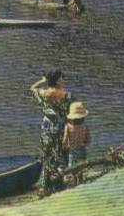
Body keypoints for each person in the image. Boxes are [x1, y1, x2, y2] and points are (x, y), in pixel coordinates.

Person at [30, 69, 72, 197]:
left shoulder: (43, 93)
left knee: (46, 156)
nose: (63, 80)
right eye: (61, 78)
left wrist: (42, 81)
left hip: (46, 127)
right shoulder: (64, 94)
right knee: (60, 156)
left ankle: (44, 186)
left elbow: (32, 88)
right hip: (59, 128)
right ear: (58, 80)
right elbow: (68, 112)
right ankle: (57, 184)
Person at [62, 101, 90, 169]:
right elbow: (88, 140)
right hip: (82, 149)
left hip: (72, 149)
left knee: (72, 167)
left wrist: (64, 146)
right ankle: (80, 178)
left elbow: (65, 139)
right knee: (81, 166)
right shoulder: (85, 127)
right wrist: (84, 143)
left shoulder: (68, 126)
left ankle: (74, 178)